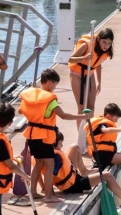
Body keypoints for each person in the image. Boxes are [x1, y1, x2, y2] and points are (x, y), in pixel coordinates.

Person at [18, 68, 84, 204]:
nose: (54, 88)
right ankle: (48, 195)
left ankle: (34, 191)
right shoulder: (50, 100)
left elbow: (20, 110)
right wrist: (84, 116)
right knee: (50, 163)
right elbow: (64, 116)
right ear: (48, 83)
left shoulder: (31, 97)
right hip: (44, 136)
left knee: (38, 163)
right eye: (54, 84)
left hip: (31, 134)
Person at [50, 132, 121, 209]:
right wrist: (52, 194)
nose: (62, 145)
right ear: (54, 144)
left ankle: (84, 171)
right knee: (107, 175)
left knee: (75, 147)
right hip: (74, 185)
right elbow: (50, 173)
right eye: (61, 143)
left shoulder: (48, 155)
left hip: (72, 176)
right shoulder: (55, 157)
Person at [84, 103, 121, 197]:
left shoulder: (105, 122)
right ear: (108, 116)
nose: (116, 122)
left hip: (108, 152)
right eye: (115, 119)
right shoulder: (102, 125)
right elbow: (105, 130)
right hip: (101, 154)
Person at [67, 27, 114, 114]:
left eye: (109, 43)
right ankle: (80, 127)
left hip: (90, 74)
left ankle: (88, 126)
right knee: (82, 107)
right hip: (76, 73)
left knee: (91, 107)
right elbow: (70, 59)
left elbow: (98, 64)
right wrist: (84, 58)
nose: (106, 46)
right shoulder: (87, 45)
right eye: (104, 42)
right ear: (99, 39)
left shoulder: (105, 51)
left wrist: (99, 82)